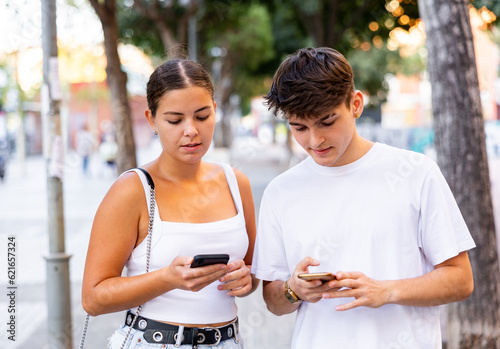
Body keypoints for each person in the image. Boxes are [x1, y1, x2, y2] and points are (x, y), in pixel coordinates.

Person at [251, 47, 475, 348]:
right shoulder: (281, 191)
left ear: (355, 104)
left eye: (327, 122)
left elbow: (460, 280)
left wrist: (386, 291)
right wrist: (293, 289)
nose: (314, 140)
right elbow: (274, 301)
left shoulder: (415, 173)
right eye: (299, 127)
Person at [82, 59, 258, 349]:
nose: (191, 130)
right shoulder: (132, 190)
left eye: (202, 116)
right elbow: (93, 298)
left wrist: (245, 280)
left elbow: (252, 272)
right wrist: (168, 278)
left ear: (215, 109)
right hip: (154, 341)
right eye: (175, 120)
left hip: (228, 340)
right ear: (152, 120)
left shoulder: (236, 183)